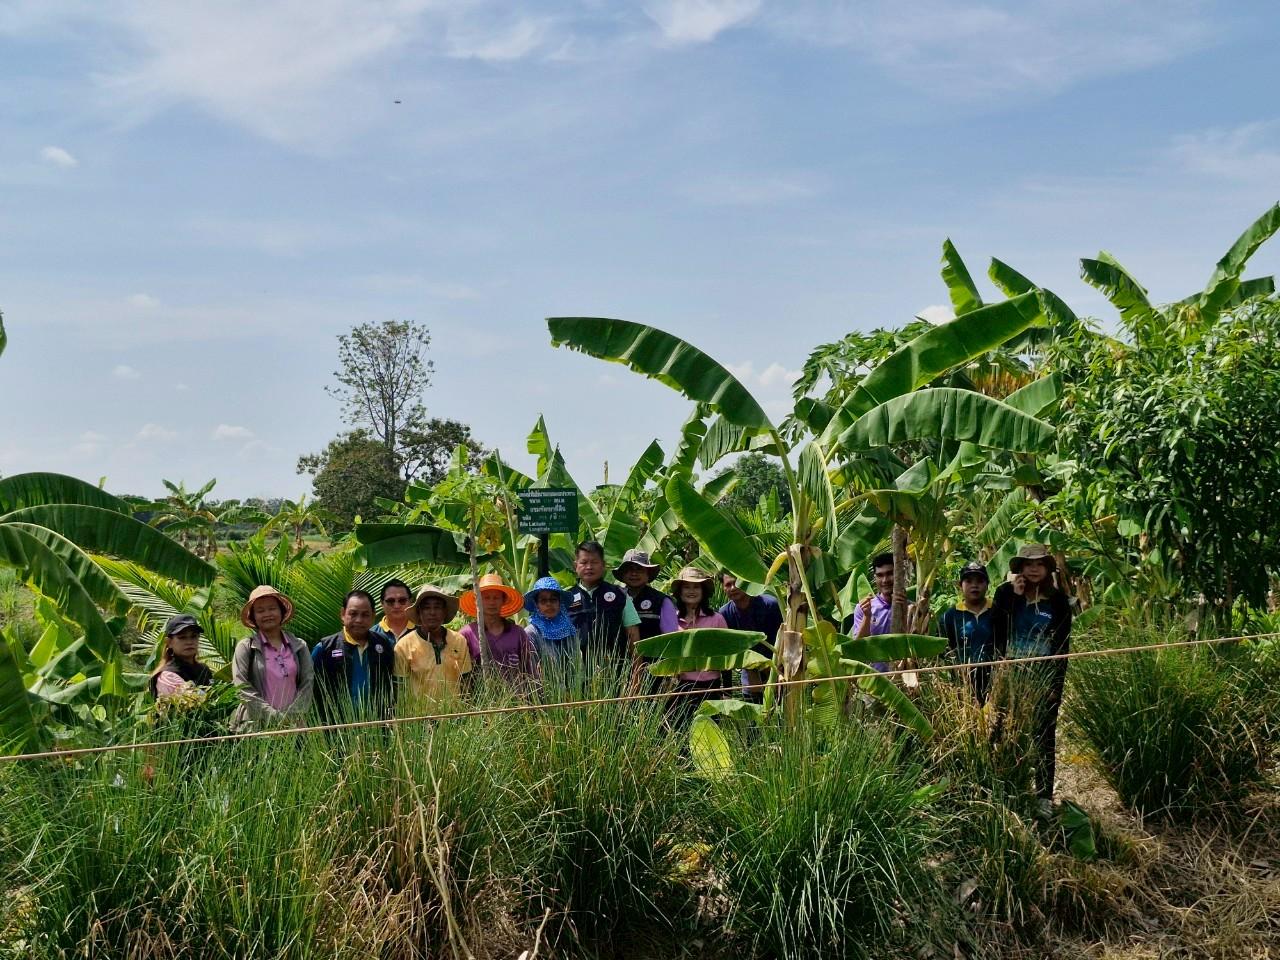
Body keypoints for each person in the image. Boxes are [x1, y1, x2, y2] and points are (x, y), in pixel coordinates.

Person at [992, 544, 1073, 805]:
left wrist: (1055, 687)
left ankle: (1043, 797)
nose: (1034, 568)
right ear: (1021, 569)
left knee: (1044, 733)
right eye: (1029, 564)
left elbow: (1062, 645)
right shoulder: (1005, 594)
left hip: (1043, 674)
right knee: (1003, 729)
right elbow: (996, 628)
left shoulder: (1059, 601)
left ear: (1048, 568)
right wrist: (1015, 597)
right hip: (1010, 672)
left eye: (1039, 564)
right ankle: (1005, 788)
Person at [231, 585, 314, 732]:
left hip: (294, 726)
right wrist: (274, 717)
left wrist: (291, 716)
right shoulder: (246, 647)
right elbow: (241, 687)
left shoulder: (299, 646)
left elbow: (307, 682)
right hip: (256, 727)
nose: (267, 614)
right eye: (260, 611)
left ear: (281, 612)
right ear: (254, 617)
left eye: (272, 608)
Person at [311, 590, 396, 721]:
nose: (359, 620)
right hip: (338, 728)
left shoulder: (384, 645)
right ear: (343, 614)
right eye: (353, 614)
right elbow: (312, 691)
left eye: (365, 615)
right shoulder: (325, 649)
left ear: (373, 616)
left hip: (378, 727)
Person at [668, 566, 729, 724]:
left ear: (703, 591)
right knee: (682, 733)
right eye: (686, 587)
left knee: (711, 733)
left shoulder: (716, 619)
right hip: (682, 686)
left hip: (711, 686)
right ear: (679, 592)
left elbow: (728, 655)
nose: (691, 591)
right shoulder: (672, 620)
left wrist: (727, 690)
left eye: (696, 587)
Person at [395, 585, 472, 707]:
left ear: (445, 611)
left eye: (437, 607)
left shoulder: (458, 640)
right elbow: (399, 689)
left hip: (455, 717)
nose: (432, 612)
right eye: (426, 608)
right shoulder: (404, 646)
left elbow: (466, 681)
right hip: (420, 720)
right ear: (419, 612)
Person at [566, 540, 641, 667]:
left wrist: (637, 677)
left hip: (614, 673)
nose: (589, 567)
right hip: (576, 675)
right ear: (575, 566)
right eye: (584, 562)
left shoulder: (620, 595)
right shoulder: (565, 598)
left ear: (603, 565)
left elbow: (633, 637)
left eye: (594, 562)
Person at [614, 549, 677, 692]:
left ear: (648, 574)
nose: (634, 573)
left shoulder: (662, 601)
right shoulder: (613, 598)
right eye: (629, 570)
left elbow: (671, 641)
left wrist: (671, 675)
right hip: (617, 671)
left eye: (639, 570)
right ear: (623, 574)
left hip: (654, 671)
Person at [460, 573, 539, 683]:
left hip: (517, 697)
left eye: (496, 598)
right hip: (479, 698)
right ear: (478, 600)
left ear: (503, 600)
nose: (492, 602)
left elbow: (530, 670)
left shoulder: (517, 633)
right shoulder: (467, 634)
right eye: (487, 598)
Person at [718, 572, 783, 702]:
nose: (733, 588)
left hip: (777, 670)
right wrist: (727, 691)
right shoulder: (724, 614)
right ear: (723, 588)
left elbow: (782, 640)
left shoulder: (770, 605)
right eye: (728, 585)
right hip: (749, 673)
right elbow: (727, 653)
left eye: (736, 583)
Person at [938, 561, 996, 705]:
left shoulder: (999, 611)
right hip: (963, 685)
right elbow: (944, 652)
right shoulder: (949, 617)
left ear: (987, 584)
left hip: (996, 683)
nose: (974, 585)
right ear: (960, 585)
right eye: (968, 581)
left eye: (980, 581)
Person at [844, 552, 906, 672]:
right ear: (875, 578)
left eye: (889, 574)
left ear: (898, 575)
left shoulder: (910, 607)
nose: (885, 580)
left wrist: (904, 611)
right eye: (880, 575)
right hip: (874, 678)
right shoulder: (864, 608)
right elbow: (858, 647)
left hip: (906, 675)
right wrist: (867, 616)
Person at [150, 613, 213, 700]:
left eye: (193, 636)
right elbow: (193, 702)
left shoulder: (204, 670)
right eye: (182, 637)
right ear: (169, 642)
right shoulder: (168, 676)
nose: (189, 642)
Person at [523, 576, 579, 663]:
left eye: (553, 599)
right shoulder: (531, 633)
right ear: (536, 605)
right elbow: (530, 669)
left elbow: (577, 663)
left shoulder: (569, 629)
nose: (549, 604)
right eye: (543, 601)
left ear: (560, 603)